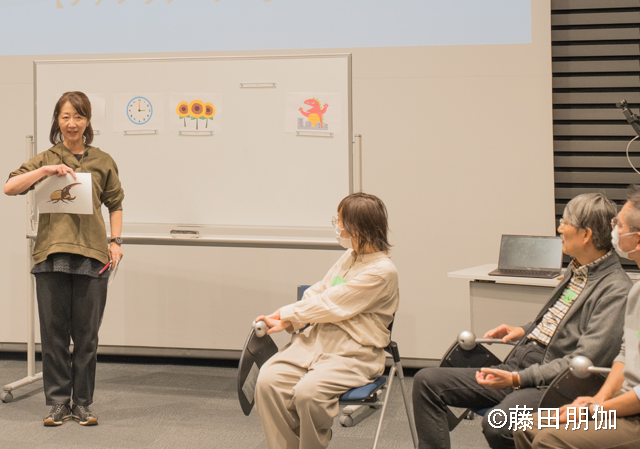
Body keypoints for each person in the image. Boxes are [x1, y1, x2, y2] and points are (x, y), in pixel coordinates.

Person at [413, 192, 632, 449]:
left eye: (565, 222)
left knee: (498, 425)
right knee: (426, 381)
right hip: (519, 365)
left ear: (585, 235)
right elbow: (560, 321)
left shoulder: (616, 291)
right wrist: (525, 329)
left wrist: (518, 379)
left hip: (552, 383)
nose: (560, 228)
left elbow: (582, 361)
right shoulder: (577, 270)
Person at [5, 91, 125, 427]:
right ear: (57, 121)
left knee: (87, 337)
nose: (72, 123)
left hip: (92, 255)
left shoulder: (102, 160)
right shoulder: (47, 157)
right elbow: (10, 187)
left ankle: (82, 403)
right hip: (51, 255)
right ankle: (58, 403)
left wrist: (115, 241)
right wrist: (44, 170)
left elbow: (115, 203)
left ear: (88, 121)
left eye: (78, 117)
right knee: (54, 335)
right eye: (65, 117)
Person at [253, 192, 399, 449]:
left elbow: (332, 303)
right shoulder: (350, 256)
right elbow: (319, 290)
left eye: (340, 221)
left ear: (357, 227)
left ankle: (313, 443)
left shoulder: (382, 271)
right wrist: (289, 319)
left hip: (353, 353)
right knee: (268, 382)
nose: (337, 226)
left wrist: (287, 315)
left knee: (308, 393)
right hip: (315, 342)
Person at [514, 186, 640, 449]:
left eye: (619, 225)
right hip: (622, 400)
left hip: (634, 413)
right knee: (526, 427)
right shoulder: (637, 291)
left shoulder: (618, 288)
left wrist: (594, 410)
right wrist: (600, 398)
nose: (613, 231)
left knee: (548, 439)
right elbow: (626, 353)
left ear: (637, 240)